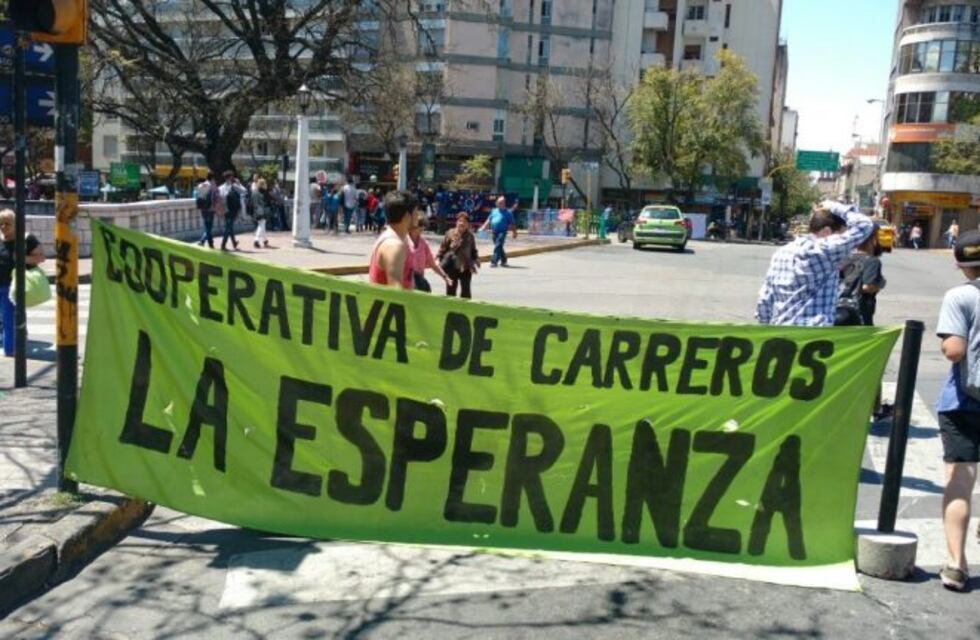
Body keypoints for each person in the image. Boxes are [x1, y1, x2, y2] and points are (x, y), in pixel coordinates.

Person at [934, 229, 980, 591]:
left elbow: (954, 351)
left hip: (964, 403)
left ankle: (955, 565)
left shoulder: (960, 297)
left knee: (960, 480)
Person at [756, 200, 873, 326]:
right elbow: (865, 225)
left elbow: (765, 298)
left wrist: (765, 327)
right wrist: (834, 207)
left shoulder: (781, 253)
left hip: (782, 334)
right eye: (841, 233)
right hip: (815, 336)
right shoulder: (824, 250)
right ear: (827, 231)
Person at [0, 209, 45, 356]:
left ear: (15, 224)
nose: (3, 227)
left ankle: (10, 349)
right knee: (7, 317)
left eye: (7, 223)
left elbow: (40, 257)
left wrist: (22, 259)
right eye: (1, 224)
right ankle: (18, 336)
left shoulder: (25, 239)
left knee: (9, 316)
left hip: (12, 286)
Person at [835, 229, 886, 327]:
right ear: (873, 241)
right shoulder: (872, 261)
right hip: (860, 310)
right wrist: (879, 285)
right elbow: (867, 287)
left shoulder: (844, 258)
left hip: (838, 307)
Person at [368, 191, 416, 289]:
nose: (418, 216)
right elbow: (395, 290)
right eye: (416, 212)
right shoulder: (394, 246)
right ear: (407, 216)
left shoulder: (398, 239)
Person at [438, 212, 480, 298]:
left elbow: (473, 250)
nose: (462, 223)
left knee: (466, 292)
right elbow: (442, 249)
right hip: (452, 266)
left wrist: (476, 260)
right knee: (451, 290)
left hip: (466, 267)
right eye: (460, 221)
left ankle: (464, 310)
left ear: (468, 224)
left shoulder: (470, 236)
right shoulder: (450, 233)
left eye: (464, 221)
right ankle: (451, 309)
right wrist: (440, 262)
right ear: (456, 222)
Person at [408, 217, 450, 292]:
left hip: (419, 282)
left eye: (423, 225)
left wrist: (445, 277)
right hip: (406, 283)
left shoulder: (424, 244)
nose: (422, 227)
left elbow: (433, 264)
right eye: (419, 225)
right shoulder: (403, 242)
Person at [480, 196, 518, 268]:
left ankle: (494, 262)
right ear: (497, 203)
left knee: (498, 245)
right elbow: (489, 220)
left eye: (502, 202)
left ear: (504, 203)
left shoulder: (508, 213)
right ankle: (504, 260)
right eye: (500, 202)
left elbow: (512, 224)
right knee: (499, 246)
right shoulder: (494, 211)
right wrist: (483, 227)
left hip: (502, 232)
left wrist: (514, 232)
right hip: (494, 232)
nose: (501, 203)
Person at [218, 171, 244, 251]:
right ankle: (223, 245)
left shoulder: (221, 187)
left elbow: (219, 199)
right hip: (232, 210)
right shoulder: (234, 186)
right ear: (230, 177)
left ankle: (234, 243)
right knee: (228, 227)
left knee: (230, 226)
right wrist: (239, 183)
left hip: (225, 210)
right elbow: (244, 191)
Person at [195, 172, 218, 248]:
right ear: (212, 178)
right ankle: (203, 241)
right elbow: (216, 196)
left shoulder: (200, 185)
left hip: (202, 207)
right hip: (210, 208)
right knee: (209, 227)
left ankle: (210, 243)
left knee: (207, 226)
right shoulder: (212, 185)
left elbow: (197, 195)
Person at [252, 178, 272, 249]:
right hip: (262, 211)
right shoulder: (264, 192)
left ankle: (265, 240)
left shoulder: (254, 192)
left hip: (256, 210)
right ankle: (256, 240)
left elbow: (251, 202)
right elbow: (267, 201)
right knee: (261, 225)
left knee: (262, 225)